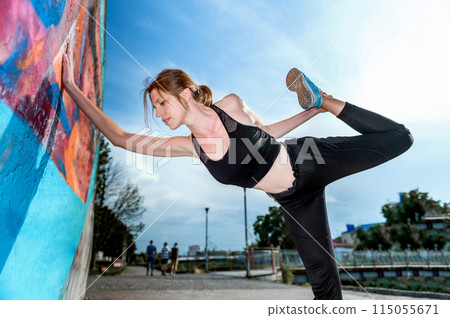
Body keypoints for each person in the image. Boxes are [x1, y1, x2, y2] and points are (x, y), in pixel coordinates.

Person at [62, 44, 413, 299]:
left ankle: (329, 101)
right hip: (294, 201)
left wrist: (316, 110)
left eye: (161, 102)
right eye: (154, 107)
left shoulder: (230, 106)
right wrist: (72, 87)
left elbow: (269, 133)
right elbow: (122, 138)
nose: (158, 113)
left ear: (185, 95)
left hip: (307, 158)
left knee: (400, 139)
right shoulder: (191, 147)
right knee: (324, 284)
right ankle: (323, 103)